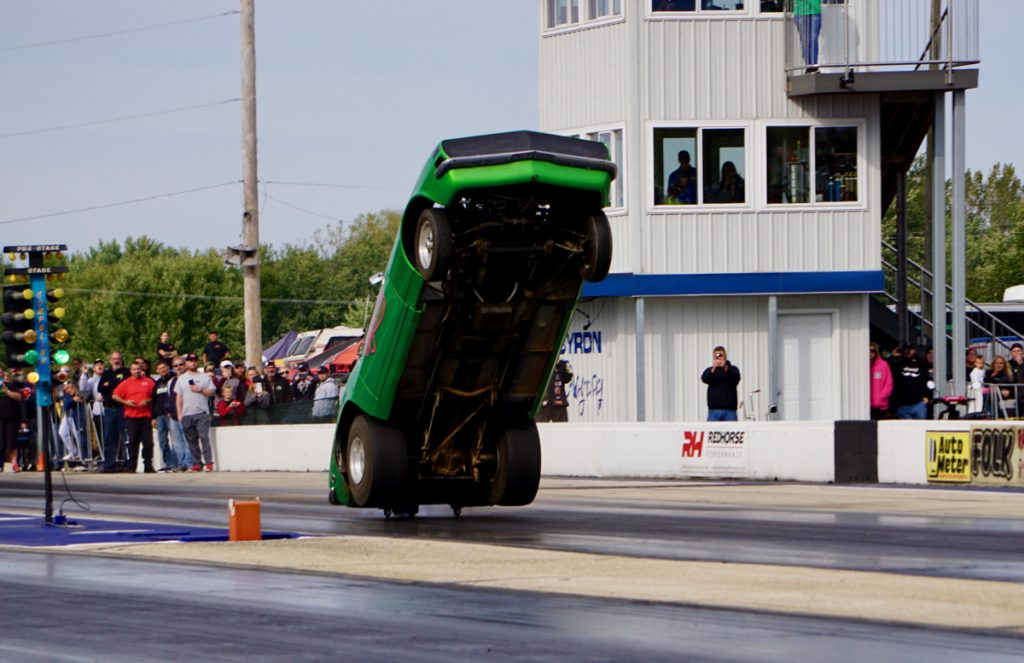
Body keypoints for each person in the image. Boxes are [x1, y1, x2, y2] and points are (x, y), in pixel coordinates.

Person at [174, 353, 217, 472]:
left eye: (194, 360)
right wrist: (179, 414)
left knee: (204, 438)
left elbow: (212, 392)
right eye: (190, 361)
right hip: (187, 414)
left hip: (201, 412)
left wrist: (201, 390)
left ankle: (209, 463)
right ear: (186, 363)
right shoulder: (181, 379)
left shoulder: (204, 377)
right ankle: (197, 463)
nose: (192, 362)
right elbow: (179, 397)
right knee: (192, 440)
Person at [112, 360, 156, 473]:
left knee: (148, 442)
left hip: (145, 416)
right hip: (131, 417)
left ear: (142, 370)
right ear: (131, 371)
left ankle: (148, 465)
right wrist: (125, 402)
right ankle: (132, 465)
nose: (137, 371)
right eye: (134, 369)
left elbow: (156, 396)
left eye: (138, 369)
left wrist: (148, 401)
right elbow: (115, 395)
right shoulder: (126, 382)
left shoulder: (149, 382)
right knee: (132, 442)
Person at [97, 351, 130, 472]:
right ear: (110, 360)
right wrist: (113, 384)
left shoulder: (126, 372)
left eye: (118, 358)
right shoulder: (106, 373)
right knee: (109, 438)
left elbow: (124, 385)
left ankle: (126, 463)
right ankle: (109, 465)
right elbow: (100, 388)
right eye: (114, 359)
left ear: (121, 360)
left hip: (122, 407)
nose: (116, 361)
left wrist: (110, 384)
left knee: (124, 437)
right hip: (109, 409)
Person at [888, 343, 930, 420]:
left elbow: (927, 381)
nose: (908, 351)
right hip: (902, 405)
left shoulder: (921, 364)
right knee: (907, 430)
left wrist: (927, 397)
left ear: (915, 350)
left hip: (918, 404)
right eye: (906, 349)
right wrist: (892, 356)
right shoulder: (897, 364)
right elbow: (886, 367)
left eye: (910, 349)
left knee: (920, 429)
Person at [152, 361, 181, 471]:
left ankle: (176, 463)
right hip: (160, 416)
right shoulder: (157, 383)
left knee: (175, 441)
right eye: (160, 368)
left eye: (164, 367)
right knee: (163, 442)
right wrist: (153, 417)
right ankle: (168, 463)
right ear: (157, 371)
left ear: (168, 368)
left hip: (171, 415)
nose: (162, 370)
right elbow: (154, 402)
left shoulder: (174, 380)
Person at [701, 346, 741, 421]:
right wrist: (713, 368)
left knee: (732, 431)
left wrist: (725, 367)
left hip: (730, 410)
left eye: (721, 355)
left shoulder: (732, 369)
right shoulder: (710, 371)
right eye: (716, 356)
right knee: (712, 432)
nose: (718, 357)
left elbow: (736, 378)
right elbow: (704, 378)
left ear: (725, 356)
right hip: (714, 409)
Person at [0, 366, 26, 472]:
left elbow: (19, 397)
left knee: (11, 442)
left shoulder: (11, 385)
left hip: (11, 417)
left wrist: (7, 391)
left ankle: (14, 463)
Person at [793, 0, 822, 72]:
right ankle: (808, 65)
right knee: (805, 40)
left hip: (815, 11)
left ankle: (814, 65)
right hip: (800, 11)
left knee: (813, 39)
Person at [869, 343, 892, 420]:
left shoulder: (883, 365)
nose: (870, 353)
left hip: (880, 405)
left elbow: (889, 383)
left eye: (872, 351)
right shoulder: (864, 365)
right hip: (868, 405)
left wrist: (881, 396)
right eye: (868, 351)